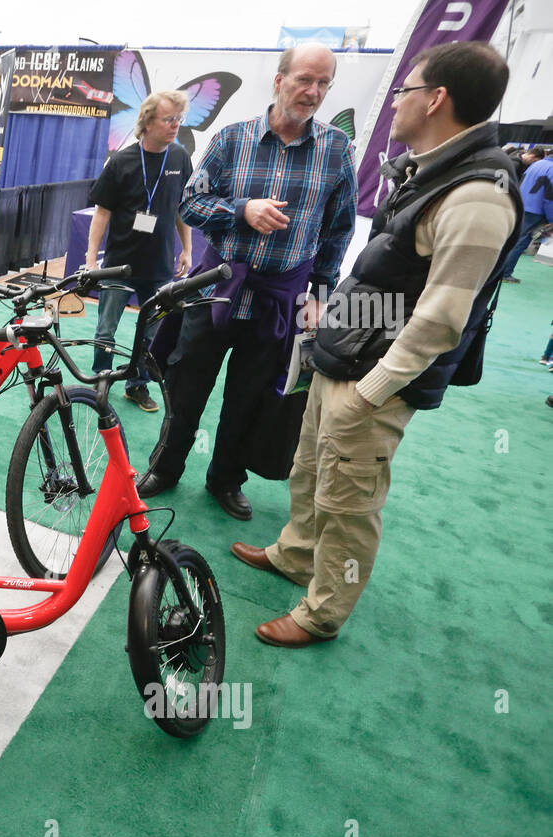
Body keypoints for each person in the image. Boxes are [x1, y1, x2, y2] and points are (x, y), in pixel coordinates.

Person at [232, 42, 520, 648]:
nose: (396, 103)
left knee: (349, 502)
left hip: (375, 377)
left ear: (436, 99)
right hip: (348, 354)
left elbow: (443, 315)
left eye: (405, 90)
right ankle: (294, 553)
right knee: (311, 469)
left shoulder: (477, 194)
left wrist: (372, 391)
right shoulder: (433, 169)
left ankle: (322, 613)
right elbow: (393, 278)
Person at [137, 42, 357, 521]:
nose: (313, 91)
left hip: (278, 298)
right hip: (216, 288)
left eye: (323, 83)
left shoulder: (338, 151)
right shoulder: (231, 139)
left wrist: (320, 295)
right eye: (304, 79)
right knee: (185, 386)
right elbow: (189, 205)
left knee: (250, 398)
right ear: (279, 80)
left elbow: (338, 231)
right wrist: (241, 211)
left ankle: (225, 480)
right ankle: (166, 467)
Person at [83, 90, 193, 412]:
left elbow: (180, 208)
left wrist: (186, 249)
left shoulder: (180, 158)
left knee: (151, 333)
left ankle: (137, 385)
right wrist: (91, 260)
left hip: (160, 267)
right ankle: (101, 379)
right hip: (120, 265)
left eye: (179, 119)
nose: (175, 125)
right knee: (106, 329)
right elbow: (102, 212)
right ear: (147, 121)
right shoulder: (121, 161)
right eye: (169, 119)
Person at [497, 148, 552, 284]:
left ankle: (499, 270)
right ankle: (505, 273)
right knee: (521, 242)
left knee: (514, 239)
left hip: (522, 204)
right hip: (536, 210)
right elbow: (549, 198)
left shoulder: (536, 164)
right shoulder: (551, 169)